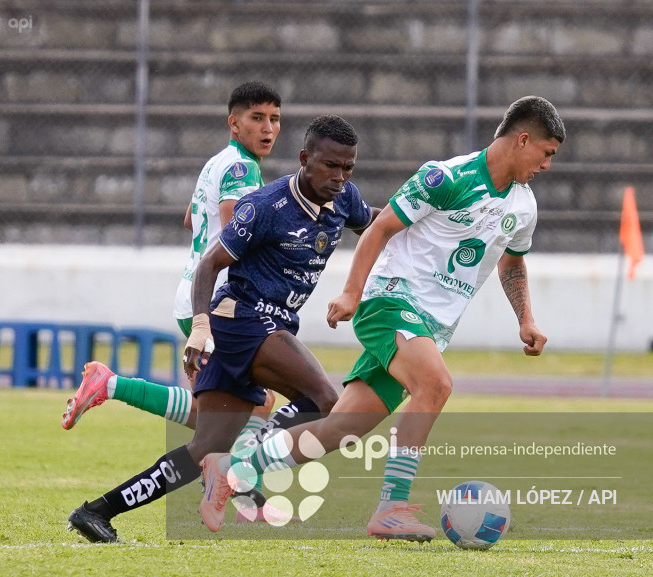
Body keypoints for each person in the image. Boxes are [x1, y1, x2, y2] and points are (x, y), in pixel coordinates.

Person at [201, 95, 565, 541]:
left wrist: (525, 319)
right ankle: (391, 508)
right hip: (390, 301)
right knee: (435, 385)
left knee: (341, 428)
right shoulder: (444, 177)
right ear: (523, 139)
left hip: (431, 326)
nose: (548, 165)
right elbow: (379, 228)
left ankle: (233, 468)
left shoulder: (523, 206)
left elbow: (512, 264)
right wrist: (353, 292)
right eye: (546, 153)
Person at [67, 115, 378, 543]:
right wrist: (199, 326)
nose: (340, 177)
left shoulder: (343, 199)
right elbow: (210, 264)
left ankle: (96, 511)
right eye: (330, 166)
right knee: (326, 400)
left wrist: (425, 218)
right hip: (243, 320)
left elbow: (376, 227)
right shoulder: (266, 206)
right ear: (305, 159)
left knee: (203, 450)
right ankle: (240, 462)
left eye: (348, 168)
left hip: (261, 327)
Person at [61, 81, 282, 433]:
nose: (268, 128)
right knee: (256, 404)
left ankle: (110, 385)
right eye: (257, 118)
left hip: (194, 294)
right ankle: (234, 482)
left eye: (274, 118)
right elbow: (236, 232)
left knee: (219, 411)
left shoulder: (217, 163)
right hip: (220, 303)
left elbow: (190, 219)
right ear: (234, 123)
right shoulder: (243, 169)